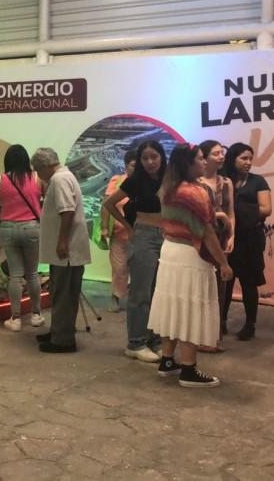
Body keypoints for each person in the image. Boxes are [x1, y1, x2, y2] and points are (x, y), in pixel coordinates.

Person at [147, 144, 232, 388]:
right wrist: (223, 263)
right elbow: (206, 232)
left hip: (170, 251)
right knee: (191, 308)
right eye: (201, 158)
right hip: (190, 255)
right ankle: (188, 368)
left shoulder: (168, 188)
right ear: (188, 163)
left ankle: (167, 360)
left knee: (172, 304)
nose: (204, 162)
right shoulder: (195, 192)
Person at [104, 140, 167, 363]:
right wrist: (129, 227)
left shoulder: (168, 178)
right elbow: (110, 204)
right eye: (145, 158)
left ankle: (155, 340)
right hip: (144, 236)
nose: (150, 162)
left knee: (159, 291)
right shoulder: (136, 180)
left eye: (154, 157)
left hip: (166, 236)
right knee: (141, 292)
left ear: (161, 156)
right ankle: (136, 343)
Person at [31, 148, 91, 353]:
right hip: (66, 251)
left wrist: (62, 241)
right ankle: (59, 330)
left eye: (38, 171)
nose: (39, 176)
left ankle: (63, 339)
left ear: (44, 167)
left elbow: (67, 211)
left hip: (67, 252)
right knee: (60, 292)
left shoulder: (59, 180)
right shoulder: (64, 176)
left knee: (64, 294)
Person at [0, 144, 44, 332]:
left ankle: (16, 318)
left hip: (8, 228)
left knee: (15, 275)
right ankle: (36, 315)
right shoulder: (37, 179)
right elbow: (45, 202)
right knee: (32, 274)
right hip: (31, 228)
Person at [222, 143, 272, 341]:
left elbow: (266, 209)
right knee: (225, 283)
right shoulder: (223, 180)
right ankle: (221, 321)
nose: (248, 162)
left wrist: (235, 209)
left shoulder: (258, 181)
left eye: (250, 158)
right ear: (232, 158)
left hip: (250, 239)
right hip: (227, 238)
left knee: (249, 283)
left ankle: (250, 324)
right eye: (244, 158)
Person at [198, 140, 234, 353]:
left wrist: (232, 236)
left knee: (220, 286)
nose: (221, 157)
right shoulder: (195, 182)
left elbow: (231, 213)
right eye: (216, 153)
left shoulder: (226, 182)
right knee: (202, 285)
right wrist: (218, 215)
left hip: (222, 238)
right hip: (201, 238)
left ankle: (213, 336)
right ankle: (199, 335)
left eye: (222, 153)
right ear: (204, 157)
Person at [100, 149, 136, 313]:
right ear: (126, 166)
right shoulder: (117, 181)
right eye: (133, 165)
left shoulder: (146, 183)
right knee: (119, 268)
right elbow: (106, 205)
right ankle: (115, 297)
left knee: (138, 269)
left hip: (140, 235)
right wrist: (104, 227)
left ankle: (136, 298)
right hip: (119, 234)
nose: (136, 169)